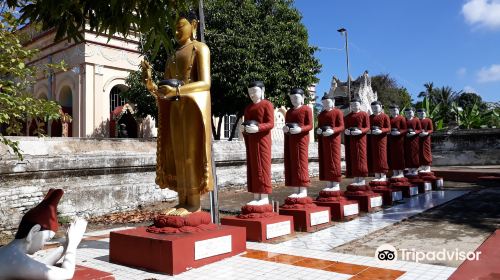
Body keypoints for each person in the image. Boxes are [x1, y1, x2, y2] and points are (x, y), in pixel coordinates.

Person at [142, 11, 213, 215]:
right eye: (174, 28)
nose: (176, 31)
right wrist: (149, 82)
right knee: (178, 154)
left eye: (180, 26)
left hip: (192, 108)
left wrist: (179, 90)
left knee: (191, 154)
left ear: (193, 24)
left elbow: (206, 83)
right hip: (175, 109)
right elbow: (163, 89)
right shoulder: (173, 56)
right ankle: (182, 200)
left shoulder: (200, 49)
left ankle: (193, 203)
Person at [0, 189, 87, 280]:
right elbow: (67, 274)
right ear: (33, 231)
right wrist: (73, 244)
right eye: (46, 240)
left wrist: (66, 245)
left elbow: (41, 266)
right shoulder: (16, 260)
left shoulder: (8, 252)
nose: (42, 246)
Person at [241, 81, 274, 205]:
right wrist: (244, 129)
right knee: (253, 167)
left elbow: (271, 123)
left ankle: (264, 197)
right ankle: (256, 196)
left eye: (254, 91)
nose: (252, 95)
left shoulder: (267, 104)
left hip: (263, 140)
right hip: (251, 141)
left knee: (263, 166)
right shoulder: (248, 108)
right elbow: (246, 123)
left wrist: (258, 128)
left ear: (262, 90)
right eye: (250, 92)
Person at [283, 88, 313, 198]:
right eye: (292, 98)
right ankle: (296, 189)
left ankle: (303, 189)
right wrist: (285, 129)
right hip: (291, 139)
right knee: (293, 162)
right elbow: (287, 124)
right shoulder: (289, 112)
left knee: (301, 162)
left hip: (301, 139)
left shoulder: (306, 109)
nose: (294, 100)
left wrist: (300, 129)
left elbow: (310, 125)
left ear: (302, 98)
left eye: (296, 97)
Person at [316, 93, 344, 191]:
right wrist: (319, 130)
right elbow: (319, 126)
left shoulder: (337, 112)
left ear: (333, 102)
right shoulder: (321, 115)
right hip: (324, 139)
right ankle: (328, 183)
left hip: (334, 139)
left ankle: (335, 183)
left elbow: (341, 126)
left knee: (334, 160)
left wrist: (333, 130)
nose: (325, 104)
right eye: (323, 103)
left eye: (327, 102)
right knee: (326, 160)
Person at [344, 98, 370, 185]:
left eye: (356, 104)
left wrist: (361, 131)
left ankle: (361, 178)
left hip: (361, 139)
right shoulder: (348, 116)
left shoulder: (364, 114)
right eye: (352, 105)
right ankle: (355, 177)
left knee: (361, 157)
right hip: (351, 140)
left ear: (360, 105)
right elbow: (345, 128)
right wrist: (346, 131)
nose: (354, 106)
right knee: (353, 157)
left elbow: (367, 127)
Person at [368, 101, 390, 181]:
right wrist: (370, 131)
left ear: (380, 107)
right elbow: (367, 127)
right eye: (373, 108)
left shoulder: (385, 116)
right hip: (373, 138)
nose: (374, 109)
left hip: (381, 139)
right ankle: (377, 174)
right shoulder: (370, 117)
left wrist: (381, 131)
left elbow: (388, 128)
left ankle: (383, 174)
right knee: (374, 155)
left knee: (382, 155)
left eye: (376, 107)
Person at [388, 104, 407, 178]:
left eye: (395, 110)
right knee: (392, 156)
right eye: (391, 110)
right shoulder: (389, 119)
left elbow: (405, 129)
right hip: (391, 139)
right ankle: (395, 172)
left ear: (398, 110)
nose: (393, 111)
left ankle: (401, 172)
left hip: (399, 140)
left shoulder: (401, 118)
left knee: (400, 156)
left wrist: (399, 132)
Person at [404, 107, 422, 175]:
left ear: (413, 112)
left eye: (410, 112)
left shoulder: (416, 120)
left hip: (414, 139)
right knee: (408, 154)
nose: (408, 114)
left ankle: (415, 169)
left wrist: (414, 132)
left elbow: (420, 129)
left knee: (414, 154)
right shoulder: (404, 120)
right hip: (406, 139)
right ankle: (409, 169)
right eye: (407, 113)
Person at [417, 108, 433, 173]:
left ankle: (428, 167)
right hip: (418, 138)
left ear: (425, 113)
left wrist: (426, 133)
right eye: (420, 114)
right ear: (417, 114)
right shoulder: (417, 120)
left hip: (426, 138)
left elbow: (431, 129)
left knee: (426, 152)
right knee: (420, 152)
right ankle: (423, 167)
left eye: (423, 113)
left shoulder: (428, 120)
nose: (422, 114)